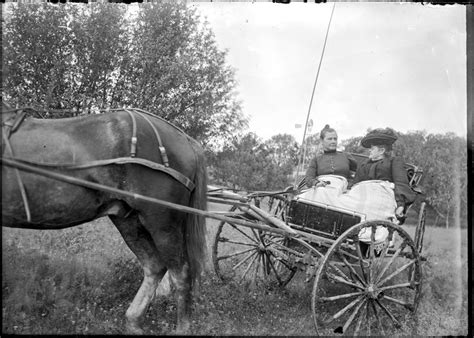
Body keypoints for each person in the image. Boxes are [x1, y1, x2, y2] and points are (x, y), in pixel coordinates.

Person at [352, 127, 416, 218]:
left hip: (383, 196)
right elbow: (356, 184)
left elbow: (400, 182)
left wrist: (400, 205)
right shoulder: (364, 164)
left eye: (372, 148)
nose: (369, 150)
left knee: (370, 207)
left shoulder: (394, 162)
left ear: (382, 151)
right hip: (362, 195)